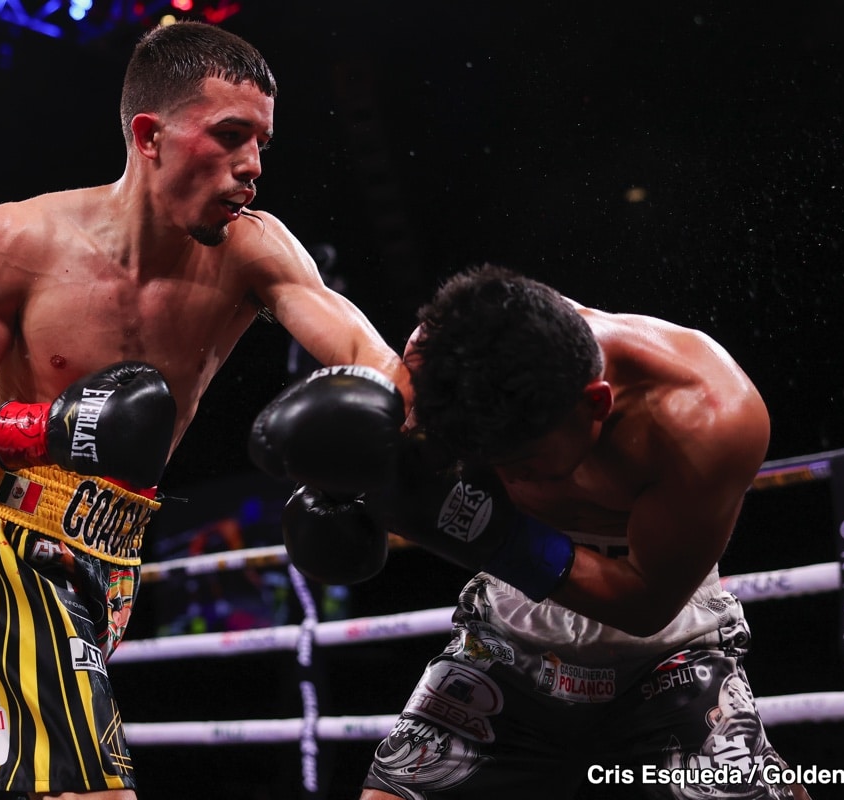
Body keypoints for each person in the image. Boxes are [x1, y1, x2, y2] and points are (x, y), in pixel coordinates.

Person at [0, 19, 409, 800]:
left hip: (115, 556)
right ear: (150, 135)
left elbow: (374, 365)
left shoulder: (254, 249)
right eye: (230, 136)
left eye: (262, 143)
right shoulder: (20, 239)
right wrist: (52, 429)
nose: (252, 167)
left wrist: (373, 457)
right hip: (4, 544)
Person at [250, 264, 811, 799]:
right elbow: (395, 418)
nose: (511, 477)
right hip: (509, 627)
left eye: (524, 459)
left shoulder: (706, 417)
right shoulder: (450, 358)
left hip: (665, 648)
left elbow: (646, 604)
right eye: (490, 460)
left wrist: (479, 531)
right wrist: (359, 490)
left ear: (596, 404)